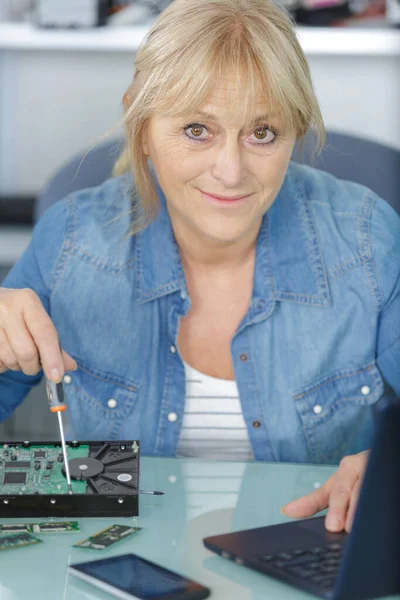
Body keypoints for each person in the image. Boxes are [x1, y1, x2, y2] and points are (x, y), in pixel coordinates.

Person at [0, 0, 399, 536]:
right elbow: (37, 483)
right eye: (196, 130)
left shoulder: (365, 241)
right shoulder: (73, 241)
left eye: (263, 133)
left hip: (312, 555)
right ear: (142, 127)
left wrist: (388, 474)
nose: (231, 171)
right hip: (118, 568)